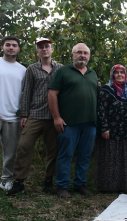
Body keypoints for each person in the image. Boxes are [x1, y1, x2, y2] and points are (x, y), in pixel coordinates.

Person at [7, 38, 63, 195]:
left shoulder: (61, 69)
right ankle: (19, 181)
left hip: (53, 116)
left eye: (47, 46)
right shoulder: (31, 69)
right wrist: (24, 114)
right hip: (35, 115)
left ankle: (48, 180)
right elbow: (26, 92)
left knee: (52, 150)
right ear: (37, 51)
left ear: (51, 49)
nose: (44, 49)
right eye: (41, 47)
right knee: (24, 145)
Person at [48, 43, 98, 198]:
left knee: (85, 155)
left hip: (90, 123)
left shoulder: (92, 73)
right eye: (79, 52)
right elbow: (52, 94)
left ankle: (80, 184)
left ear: (89, 56)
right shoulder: (63, 72)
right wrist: (56, 117)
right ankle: (62, 186)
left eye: (85, 53)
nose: (82, 55)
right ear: (73, 54)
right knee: (66, 154)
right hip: (69, 123)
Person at [96, 64, 127, 193]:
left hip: (124, 130)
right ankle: (108, 186)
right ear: (112, 75)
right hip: (110, 130)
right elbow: (101, 110)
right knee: (110, 157)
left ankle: (122, 186)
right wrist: (104, 128)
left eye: (122, 73)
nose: (120, 75)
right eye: (117, 73)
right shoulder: (106, 89)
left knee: (122, 157)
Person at [0, 36, 26, 191]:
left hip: (12, 117)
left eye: (14, 45)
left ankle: (5, 179)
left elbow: (25, 94)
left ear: (18, 49)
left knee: (10, 153)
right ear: (2, 47)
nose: (11, 47)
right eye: (8, 45)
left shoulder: (23, 70)